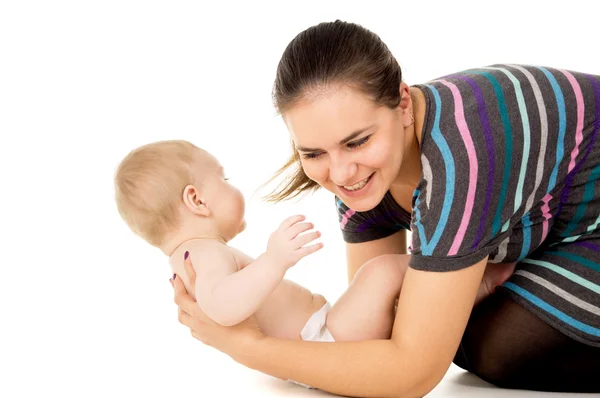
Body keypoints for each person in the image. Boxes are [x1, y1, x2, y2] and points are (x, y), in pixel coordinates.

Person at [170, 20, 600, 396]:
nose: (340, 173)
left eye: (357, 141)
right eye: (314, 152)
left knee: (492, 341)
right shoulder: (362, 172)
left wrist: (249, 347)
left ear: (404, 104)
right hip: (562, 233)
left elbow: (411, 373)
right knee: (439, 320)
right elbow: (379, 325)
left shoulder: (464, 156)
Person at [113, 140, 408, 388]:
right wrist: (273, 260)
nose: (231, 186)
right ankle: (439, 263)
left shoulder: (190, 257)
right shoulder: (202, 253)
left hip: (319, 343)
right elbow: (221, 307)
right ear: (197, 200)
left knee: (385, 290)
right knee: (381, 271)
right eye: (223, 180)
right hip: (324, 342)